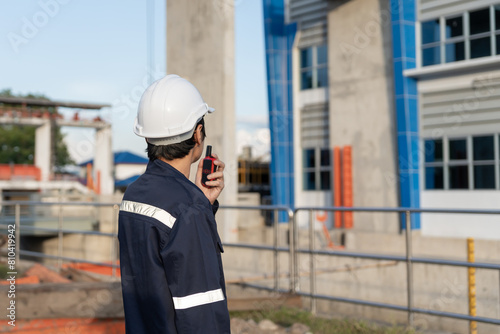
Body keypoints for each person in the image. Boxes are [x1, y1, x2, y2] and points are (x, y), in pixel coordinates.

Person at [118, 74, 230, 333]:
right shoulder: (189, 209)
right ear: (198, 132)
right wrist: (197, 206)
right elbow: (202, 312)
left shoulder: (133, 195)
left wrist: (202, 202)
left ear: (147, 137)